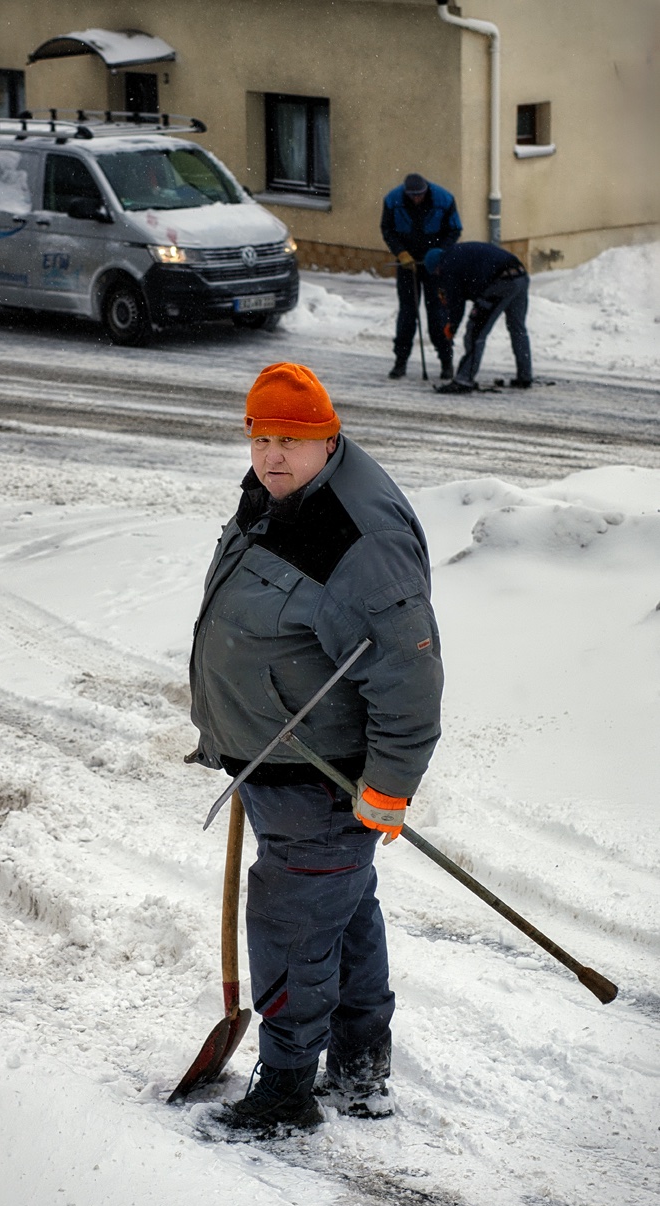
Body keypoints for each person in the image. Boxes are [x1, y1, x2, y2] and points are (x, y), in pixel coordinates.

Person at [188, 362, 443, 1138]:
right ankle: (360, 1069)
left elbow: (408, 672)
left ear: (327, 437)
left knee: (295, 928)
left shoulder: (355, 537)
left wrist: (389, 785)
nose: (271, 455)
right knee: (342, 912)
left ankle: (286, 1095)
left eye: (290, 440)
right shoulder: (281, 496)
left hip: (320, 780)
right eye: (261, 437)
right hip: (281, 762)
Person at [380, 172, 462, 381]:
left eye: (420, 195)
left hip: (434, 266)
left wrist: (438, 255)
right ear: (406, 193)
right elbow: (387, 229)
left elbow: (454, 230)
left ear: (426, 190)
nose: (416, 199)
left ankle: (446, 361)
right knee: (407, 315)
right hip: (408, 264)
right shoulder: (393, 200)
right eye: (412, 196)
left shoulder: (444, 199)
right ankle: (400, 362)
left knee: (437, 315)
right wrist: (400, 252)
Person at [424, 242, 533, 394]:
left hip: (501, 282)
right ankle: (525, 376)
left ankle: (464, 380)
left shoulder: (447, 266)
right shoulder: (456, 253)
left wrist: (452, 325)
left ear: (436, 267)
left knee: (475, 332)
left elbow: (457, 303)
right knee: (518, 329)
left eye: (436, 273)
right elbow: (474, 281)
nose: (438, 276)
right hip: (520, 274)